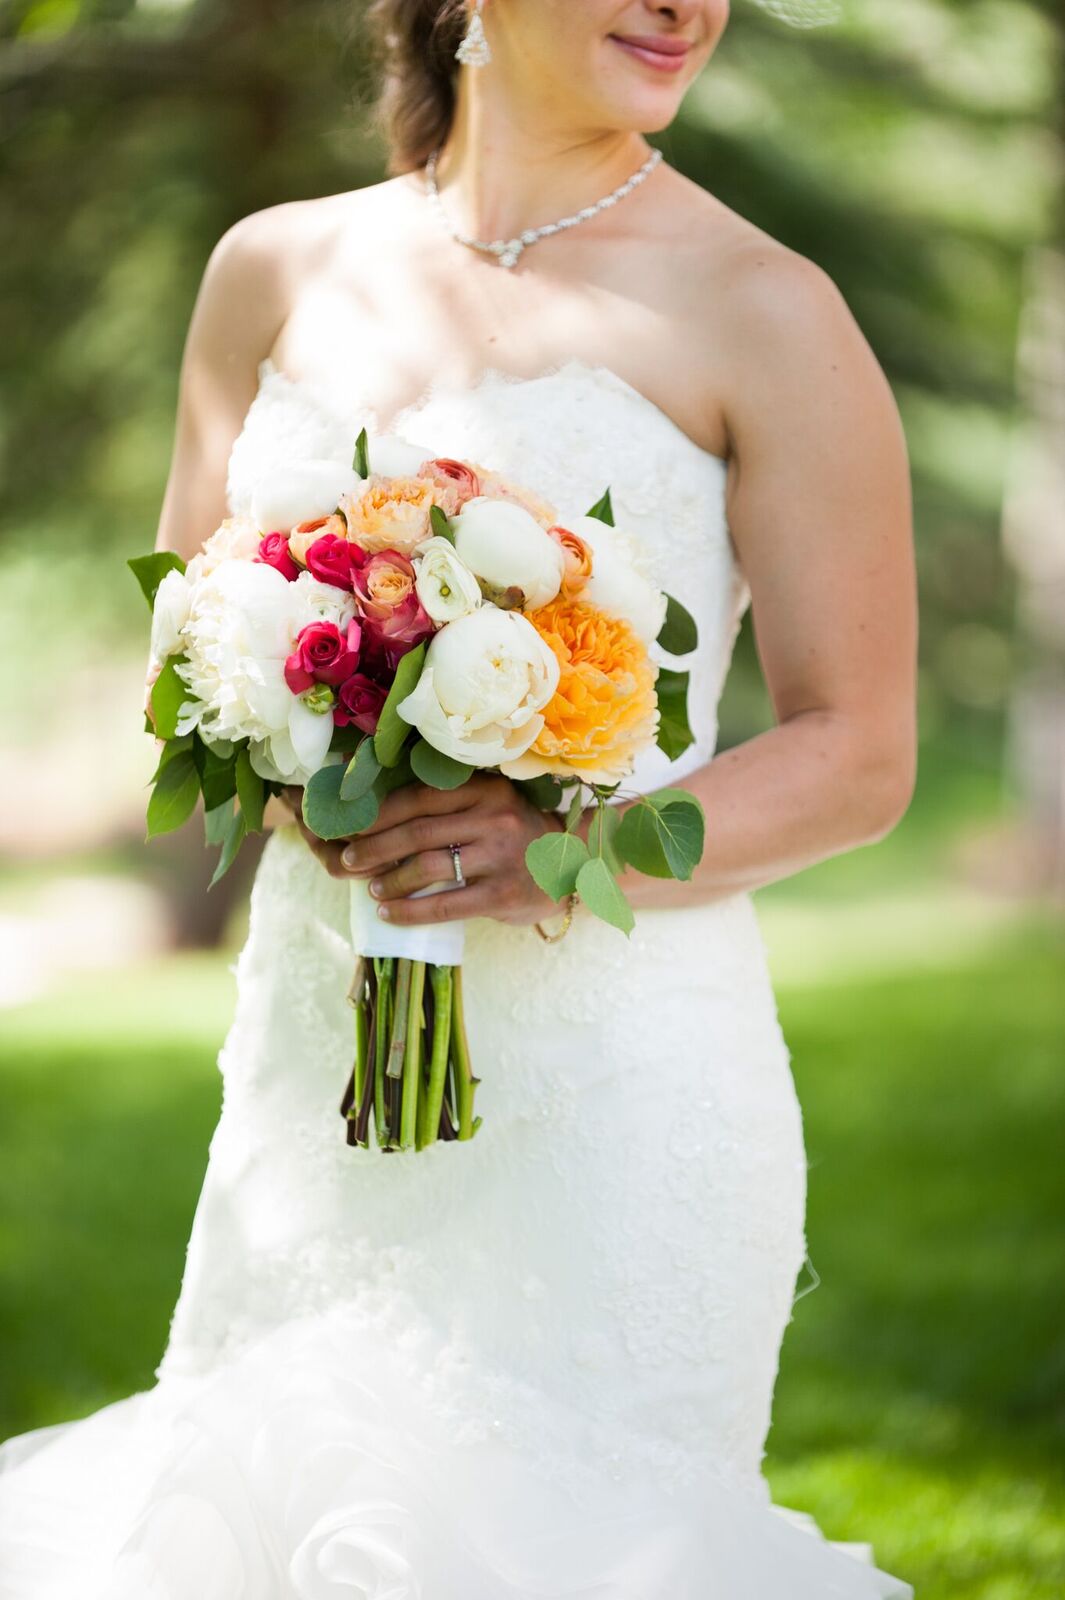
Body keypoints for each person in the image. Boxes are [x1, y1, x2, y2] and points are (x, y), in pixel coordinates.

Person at [0, 2, 917, 1594]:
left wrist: (554, 849)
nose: (686, 3)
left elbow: (860, 753)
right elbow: (196, 637)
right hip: (315, 1071)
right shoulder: (270, 270)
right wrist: (295, 769)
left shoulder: (767, 307)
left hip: (616, 1092)